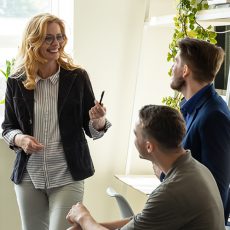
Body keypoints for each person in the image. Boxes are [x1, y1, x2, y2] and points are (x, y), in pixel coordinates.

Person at [1, 13, 111, 230]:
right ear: (33, 41)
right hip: (29, 177)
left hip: (67, 175)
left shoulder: (77, 77)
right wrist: (21, 139)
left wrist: (99, 120)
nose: (56, 43)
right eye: (48, 38)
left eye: (59, 37)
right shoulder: (16, 81)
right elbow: (7, 128)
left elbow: (93, 130)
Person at [66, 105, 225, 230]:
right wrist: (89, 225)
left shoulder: (171, 191)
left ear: (149, 147)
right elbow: (142, 221)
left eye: (136, 134)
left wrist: (84, 218)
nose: (134, 139)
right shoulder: (195, 168)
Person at [170, 37, 230, 223]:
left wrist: (164, 170)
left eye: (176, 62)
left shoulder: (214, 116)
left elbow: (216, 190)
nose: (172, 68)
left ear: (185, 70)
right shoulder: (191, 109)